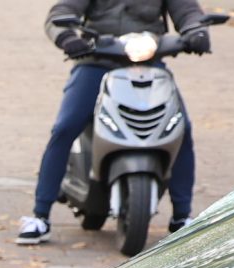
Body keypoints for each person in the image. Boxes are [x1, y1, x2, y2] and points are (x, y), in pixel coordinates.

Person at [20, 0, 212, 246]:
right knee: (65, 127)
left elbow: (187, 11)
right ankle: (40, 216)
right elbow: (61, 12)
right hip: (95, 61)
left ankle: (182, 217)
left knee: (179, 128)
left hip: (149, 62)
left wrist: (196, 31)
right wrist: (67, 37)